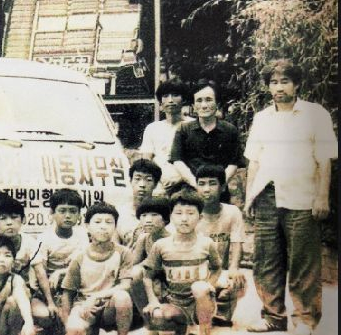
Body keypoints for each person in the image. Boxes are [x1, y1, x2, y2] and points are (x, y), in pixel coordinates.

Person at [244, 59, 337, 335]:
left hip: (302, 197)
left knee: (303, 261)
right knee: (266, 260)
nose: (279, 87)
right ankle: (273, 316)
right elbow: (254, 161)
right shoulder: (262, 118)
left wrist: (322, 197)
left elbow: (324, 160)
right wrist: (249, 197)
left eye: (284, 81)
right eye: (273, 82)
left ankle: (305, 319)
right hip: (267, 195)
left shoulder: (315, 114)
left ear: (296, 84)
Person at [0, 197, 59, 331]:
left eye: (14, 217)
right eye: (3, 218)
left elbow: (40, 274)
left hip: (21, 291)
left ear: (23, 220)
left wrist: (50, 302)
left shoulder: (30, 242)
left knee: (45, 316)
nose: (9, 223)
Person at [141, 191, 222, 335]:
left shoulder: (207, 243)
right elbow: (147, 276)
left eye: (190, 213)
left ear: (200, 217)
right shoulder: (161, 245)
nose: (184, 218)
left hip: (200, 304)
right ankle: (181, 329)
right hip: (174, 303)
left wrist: (210, 285)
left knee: (199, 287)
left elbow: (217, 268)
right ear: (171, 216)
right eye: (178, 213)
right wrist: (153, 301)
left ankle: (204, 331)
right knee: (159, 316)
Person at [61, 202, 133, 335]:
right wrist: (68, 324)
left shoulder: (123, 253)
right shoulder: (79, 257)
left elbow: (125, 285)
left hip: (109, 306)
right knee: (75, 328)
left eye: (109, 222)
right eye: (98, 222)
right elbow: (68, 293)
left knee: (123, 297)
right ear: (87, 226)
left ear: (115, 226)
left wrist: (96, 297)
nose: (103, 226)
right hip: (85, 305)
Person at [194, 164, 246, 327]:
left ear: (222, 187)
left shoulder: (232, 212)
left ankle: (221, 314)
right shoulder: (191, 213)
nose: (206, 189)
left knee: (237, 281)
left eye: (212, 183)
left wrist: (234, 267)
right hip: (195, 274)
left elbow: (237, 243)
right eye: (201, 184)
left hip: (219, 273)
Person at [170, 79, 243, 190]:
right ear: (193, 106)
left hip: (219, 189)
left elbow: (233, 163)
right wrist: (196, 185)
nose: (204, 105)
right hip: (191, 189)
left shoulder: (230, 130)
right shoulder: (184, 129)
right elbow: (177, 161)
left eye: (209, 100)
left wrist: (220, 185)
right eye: (199, 101)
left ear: (217, 104)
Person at [33, 189, 89, 330]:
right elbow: (40, 273)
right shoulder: (44, 238)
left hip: (75, 287)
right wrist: (50, 302)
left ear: (79, 214)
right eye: (62, 211)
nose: (68, 216)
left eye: (73, 211)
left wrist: (62, 272)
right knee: (47, 316)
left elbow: (84, 264)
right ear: (52, 213)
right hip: (50, 289)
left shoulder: (82, 234)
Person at [140, 79, 193, 195]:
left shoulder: (193, 125)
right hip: (159, 186)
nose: (170, 100)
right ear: (160, 102)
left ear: (183, 99)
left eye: (175, 95)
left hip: (188, 184)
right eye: (165, 96)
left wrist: (180, 178)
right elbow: (146, 162)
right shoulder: (152, 128)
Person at [128, 197, 171, 331]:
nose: (148, 220)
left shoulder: (171, 238)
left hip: (172, 280)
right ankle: (149, 323)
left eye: (154, 215)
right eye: (144, 215)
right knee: (134, 273)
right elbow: (133, 263)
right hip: (152, 278)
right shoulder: (144, 238)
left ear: (165, 219)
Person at [116, 159, 161, 249]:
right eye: (137, 179)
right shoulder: (120, 213)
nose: (142, 184)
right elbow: (114, 247)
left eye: (148, 180)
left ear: (155, 184)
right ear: (130, 181)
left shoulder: (162, 214)